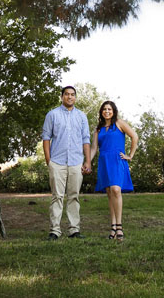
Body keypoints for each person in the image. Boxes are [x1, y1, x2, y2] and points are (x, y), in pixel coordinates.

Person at [41, 85, 92, 240]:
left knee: (74, 196)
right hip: (57, 162)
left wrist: (88, 161)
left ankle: (74, 230)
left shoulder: (82, 116)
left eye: (72, 94)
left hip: (76, 162)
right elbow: (46, 138)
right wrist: (49, 161)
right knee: (57, 196)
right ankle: (54, 231)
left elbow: (86, 140)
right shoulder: (52, 115)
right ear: (62, 96)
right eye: (67, 94)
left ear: (75, 97)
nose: (70, 97)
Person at [90, 100, 138, 241]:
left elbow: (134, 136)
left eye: (109, 109)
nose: (107, 111)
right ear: (101, 112)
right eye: (104, 109)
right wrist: (87, 162)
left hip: (117, 160)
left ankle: (119, 226)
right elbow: (94, 148)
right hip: (104, 161)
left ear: (114, 111)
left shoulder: (119, 123)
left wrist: (130, 155)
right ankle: (112, 226)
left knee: (116, 190)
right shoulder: (98, 129)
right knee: (110, 193)